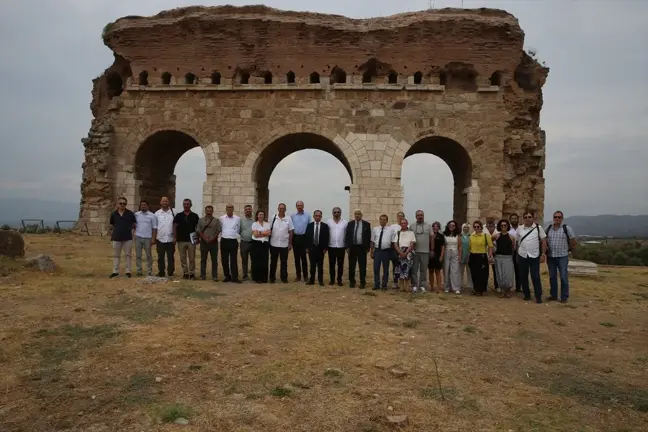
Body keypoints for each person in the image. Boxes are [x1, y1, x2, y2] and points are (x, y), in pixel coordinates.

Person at [516, 211, 547, 303]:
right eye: (525, 217)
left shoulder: (538, 228)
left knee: (535, 276)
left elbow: (544, 241)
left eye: (529, 217)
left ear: (533, 218)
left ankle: (538, 296)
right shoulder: (520, 229)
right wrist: (517, 254)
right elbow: (517, 242)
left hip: (534, 256)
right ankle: (527, 295)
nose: (527, 219)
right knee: (523, 276)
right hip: (522, 255)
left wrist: (543, 254)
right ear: (523, 218)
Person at [545, 210, 577, 303]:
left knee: (563, 276)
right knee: (552, 276)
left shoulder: (567, 228)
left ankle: (564, 296)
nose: (557, 219)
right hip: (551, 256)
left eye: (559, 217)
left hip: (562, 256)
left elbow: (573, 241)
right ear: (553, 218)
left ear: (562, 219)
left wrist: (569, 249)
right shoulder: (548, 228)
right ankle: (554, 295)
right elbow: (543, 239)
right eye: (555, 217)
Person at [109, 197, 136, 278]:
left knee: (128, 255)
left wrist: (132, 233)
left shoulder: (130, 213)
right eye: (120, 203)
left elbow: (134, 225)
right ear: (118, 204)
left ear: (126, 204)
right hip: (117, 237)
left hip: (127, 237)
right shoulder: (114, 214)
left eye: (124, 204)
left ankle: (128, 271)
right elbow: (112, 224)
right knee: (116, 255)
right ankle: (115, 271)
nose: (122, 205)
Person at [173, 198, 200, 280]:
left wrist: (197, 238)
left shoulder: (195, 216)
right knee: (183, 258)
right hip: (181, 240)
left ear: (190, 205)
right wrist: (174, 237)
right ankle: (185, 273)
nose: (186, 206)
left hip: (191, 240)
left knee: (192, 258)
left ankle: (192, 273)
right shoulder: (179, 215)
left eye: (187, 204)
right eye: (184, 204)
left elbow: (197, 228)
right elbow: (175, 226)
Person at [269, 203, 294, 283]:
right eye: (280, 208)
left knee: (284, 262)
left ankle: (284, 278)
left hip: (284, 244)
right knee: (273, 262)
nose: (281, 210)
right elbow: (269, 229)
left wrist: (290, 243)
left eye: (283, 208)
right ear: (278, 209)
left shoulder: (288, 219)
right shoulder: (273, 217)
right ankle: (272, 278)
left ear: (285, 210)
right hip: (273, 243)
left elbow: (291, 231)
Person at [345, 209, 371, 288]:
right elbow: (347, 236)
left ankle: (362, 282)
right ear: (354, 215)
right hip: (352, 247)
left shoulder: (366, 224)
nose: (357, 215)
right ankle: (352, 282)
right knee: (352, 266)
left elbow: (368, 236)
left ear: (361, 215)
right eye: (356, 214)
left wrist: (367, 247)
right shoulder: (350, 224)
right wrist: (347, 247)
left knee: (362, 266)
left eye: (359, 214)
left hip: (362, 248)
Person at [196, 205, 222, 281]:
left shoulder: (216, 220)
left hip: (214, 243)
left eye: (210, 211)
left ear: (212, 211)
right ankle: (202, 275)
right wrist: (204, 238)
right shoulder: (200, 220)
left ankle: (214, 275)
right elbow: (199, 230)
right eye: (207, 211)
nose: (209, 212)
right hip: (204, 242)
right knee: (203, 259)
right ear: (205, 211)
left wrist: (213, 238)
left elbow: (218, 231)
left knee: (214, 260)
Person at [468, 220, 494, 296]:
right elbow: (469, 247)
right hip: (473, 256)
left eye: (478, 226)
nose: (476, 228)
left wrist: (489, 255)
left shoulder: (486, 236)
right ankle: (476, 289)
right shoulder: (471, 236)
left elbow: (490, 246)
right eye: (475, 227)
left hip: (482, 256)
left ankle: (481, 290)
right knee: (474, 273)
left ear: (481, 227)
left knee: (482, 274)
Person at [492, 219, 516, 298]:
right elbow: (490, 242)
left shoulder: (511, 237)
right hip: (498, 257)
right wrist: (493, 249)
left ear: (507, 226)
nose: (503, 227)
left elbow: (513, 247)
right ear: (499, 226)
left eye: (505, 225)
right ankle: (502, 291)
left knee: (508, 275)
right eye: (502, 225)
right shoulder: (496, 236)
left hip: (508, 257)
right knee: (500, 274)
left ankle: (508, 291)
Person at [305, 210, 330, 286]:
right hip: (312, 248)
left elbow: (327, 237)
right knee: (312, 265)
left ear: (321, 217)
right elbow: (307, 237)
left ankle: (320, 280)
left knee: (320, 265)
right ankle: (312, 280)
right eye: (316, 215)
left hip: (320, 249)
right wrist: (307, 247)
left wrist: (325, 248)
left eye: (319, 216)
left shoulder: (325, 226)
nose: (318, 217)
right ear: (313, 216)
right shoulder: (309, 225)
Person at [371, 214, 395, 290]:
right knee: (376, 268)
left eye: (384, 219)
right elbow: (372, 241)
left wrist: (391, 252)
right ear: (379, 220)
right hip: (377, 251)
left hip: (386, 252)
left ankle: (384, 285)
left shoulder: (391, 230)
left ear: (387, 221)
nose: (382, 221)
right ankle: (376, 284)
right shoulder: (375, 229)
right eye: (381, 219)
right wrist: (372, 252)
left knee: (385, 269)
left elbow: (392, 242)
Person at [153, 196, 175, 277]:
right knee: (160, 257)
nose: (165, 202)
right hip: (160, 239)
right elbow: (155, 227)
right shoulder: (157, 213)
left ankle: (170, 272)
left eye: (166, 201)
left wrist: (175, 237)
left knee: (170, 257)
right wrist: (154, 238)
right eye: (163, 201)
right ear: (160, 202)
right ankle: (161, 272)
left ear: (168, 202)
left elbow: (176, 225)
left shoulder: (173, 212)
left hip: (170, 239)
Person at [219, 204, 242, 283]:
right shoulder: (222, 218)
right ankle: (227, 276)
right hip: (224, 240)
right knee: (224, 259)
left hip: (233, 240)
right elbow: (221, 228)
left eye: (231, 208)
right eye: (228, 208)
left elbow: (238, 229)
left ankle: (235, 277)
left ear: (233, 209)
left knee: (233, 260)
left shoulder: (237, 218)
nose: (229, 209)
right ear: (226, 209)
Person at [291, 200, 312, 282]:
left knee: (304, 258)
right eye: (298, 205)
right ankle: (298, 276)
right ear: (296, 206)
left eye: (301, 205)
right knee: (296, 258)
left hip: (304, 238)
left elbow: (310, 228)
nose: (299, 207)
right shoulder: (293, 216)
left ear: (303, 206)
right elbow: (291, 228)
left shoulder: (307, 216)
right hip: (296, 238)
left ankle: (306, 276)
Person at [410, 210, 431, 293]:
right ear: (416, 216)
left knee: (423, 270)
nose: (420, 216)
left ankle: (422, 285)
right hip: (415, 252)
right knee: (414, 269)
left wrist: (432, 249)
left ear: (423, 216)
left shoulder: (428, 226)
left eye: (421, 215)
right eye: (418, 215)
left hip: (425, 252)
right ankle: (414, 285)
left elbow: (431, 238)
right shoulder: (411, 226)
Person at [134, 200, 157, 277]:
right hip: (138, 237)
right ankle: (139, 270)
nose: (143, 206)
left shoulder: (152, 216)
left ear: (147, 206)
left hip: (148, 238)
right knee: (138, 255)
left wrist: (153, 239)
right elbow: (134, 225)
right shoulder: (136, 215)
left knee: (148, 255)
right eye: (142, 205)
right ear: (140, 206)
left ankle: (149, 271)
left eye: (144, 205)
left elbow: (154, 228)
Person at [393, 218, 416, 292]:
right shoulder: (398, 233)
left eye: (405, 223)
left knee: (407, 270)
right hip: (400, 252)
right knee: (400, 270)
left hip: (408, 253)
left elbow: (412, 244)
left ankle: (407, 287)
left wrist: (406, 253)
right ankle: (401, 287)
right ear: (400, 224)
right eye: (402, 223)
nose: (403, 224)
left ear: (407, 224)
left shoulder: (411, 233)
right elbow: (395, 244)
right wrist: (400, 252)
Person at [327, 207, 348, 286]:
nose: (336, 214)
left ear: (340, 213)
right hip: (331, 246)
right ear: (332, 213)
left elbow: (347, 234)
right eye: (335, 212)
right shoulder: (328, 222)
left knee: (340, 264)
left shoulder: (345, 223)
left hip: (341, 246)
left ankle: (339, 280)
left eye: (338, 212)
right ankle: (332, 280)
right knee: (331, 264)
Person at [250, 210, 271, 283]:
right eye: (259, 214)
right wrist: (264, 233)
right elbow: (255, 234)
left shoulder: (267, 224)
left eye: (262, 214)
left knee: (264, 260)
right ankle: (257, 278)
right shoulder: (254, 224)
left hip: (265, 244)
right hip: (256, 243)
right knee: (256, 260)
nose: (261, 216)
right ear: (257, 216)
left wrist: (260, 232)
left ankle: (264, 278)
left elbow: (269, 233)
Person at [443, 220, 462, 294]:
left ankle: (456, 287)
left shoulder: (458, 235)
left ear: (455, 227)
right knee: (446, 270)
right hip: (447, 252)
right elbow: (443, 246)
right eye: (450, 225)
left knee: (455, 271)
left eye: (453, 225)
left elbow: (460, 246)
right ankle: (447, 287)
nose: (451, 227)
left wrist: (460, 256)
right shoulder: (445, 235)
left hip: (455, 253)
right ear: (448, 226)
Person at [390, 211, 405, 289]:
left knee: (404, 265)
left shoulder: (406, 226)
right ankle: (395, 282)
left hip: (404, 249)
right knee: (396, 266)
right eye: (399, 216)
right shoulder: (392, 227)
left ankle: (402, 282)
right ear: (397, 217)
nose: (400, 217)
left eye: (402, 216)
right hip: (394, 248)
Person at [428, 221, 445, 293]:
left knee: (437, 271)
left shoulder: (441, 236)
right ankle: (432, 286)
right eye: (433, 226)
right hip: (430, 256)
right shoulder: (429, 236)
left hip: (438, 255)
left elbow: (443, 247)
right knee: (430, 271)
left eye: (437, 226)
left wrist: (441, 257)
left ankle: (439, 286)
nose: (435, 228)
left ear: (439, 228)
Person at [239, 205, 254, 281]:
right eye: (246, 209)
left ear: (251, 210)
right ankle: (245, 275)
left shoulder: (254, 220)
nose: (248, 210)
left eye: (249, 209)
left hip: (253, 243)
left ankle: (253, 274)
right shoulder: (241, 221)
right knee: (244, 259)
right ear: (244, 211)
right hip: (244, 242)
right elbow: (239, 230)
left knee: (253, 259)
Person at [485, 217, 499, 292]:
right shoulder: (483, 229)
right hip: (485, 252)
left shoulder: (498, 230)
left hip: (495, 252)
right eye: (488, 222)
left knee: (496, 270)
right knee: (485, 270)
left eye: (491, 222)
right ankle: (485, 285)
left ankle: (497, 286)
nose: (490, 223)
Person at [509, 213, 521, 292]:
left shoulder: (521, 228)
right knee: (510, 270)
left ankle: (518, 287)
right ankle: (509, 286)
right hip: (510, 251)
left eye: (515, 218)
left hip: (519, 251)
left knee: (519, 270)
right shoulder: (508, 229)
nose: (514, 220)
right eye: (512, 218)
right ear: (510, 220)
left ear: (518, 219)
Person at [459, 223, 473, 292]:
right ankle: (460, 284)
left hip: (469, 255)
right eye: (464, 227)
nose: (466, 229)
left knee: (469, 271)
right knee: (460, 271)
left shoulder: (471, 236)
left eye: (467, 227)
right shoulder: (459, 236)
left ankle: (469, 285)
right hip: (461, 255)